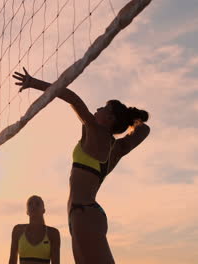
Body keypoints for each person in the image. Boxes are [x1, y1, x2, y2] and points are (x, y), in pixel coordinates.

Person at [13, 68, 150, 264]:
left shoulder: (95, 131)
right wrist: (132, 118)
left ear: (109, 119)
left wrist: (34, 83)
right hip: (83, 214)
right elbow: (144, 129)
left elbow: (72, 98)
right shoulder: (117, 147)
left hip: (84, 214)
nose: (98, 108)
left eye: (104, 108)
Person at [9, 195, 61, 264]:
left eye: (37, 204)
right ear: (27, 211)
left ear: (44, 210)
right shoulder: (18, 230)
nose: (33, 206)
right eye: (30, 204)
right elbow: (12, 260)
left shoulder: (53, 233)